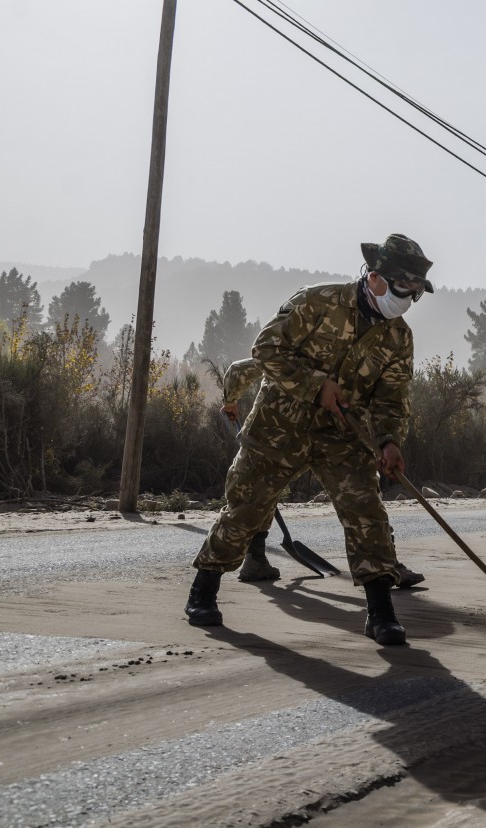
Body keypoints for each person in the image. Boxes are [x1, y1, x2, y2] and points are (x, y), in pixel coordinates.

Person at [184, 232, 434, 647]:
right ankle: (203, 591)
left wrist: (390, 441)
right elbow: (266, 350)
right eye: (401, 288)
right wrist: (315, 383)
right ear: (374, 278)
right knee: (246, 510)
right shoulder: (317, 302)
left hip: (342, 435)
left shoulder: (398, 338)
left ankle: (381, 612)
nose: (406, 299)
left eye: (414, 293)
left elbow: (391, 397)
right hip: (279, 427)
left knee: (366, 512)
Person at [220, 358, 425, 588]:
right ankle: (255, 559)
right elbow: (241, 369)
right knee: (358, 494)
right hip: (302, 436)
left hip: (302, 436)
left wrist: (230, 402)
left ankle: (255, 559)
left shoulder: (293, 354)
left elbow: (236, 371)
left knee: (264, 492)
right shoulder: (290, 351)